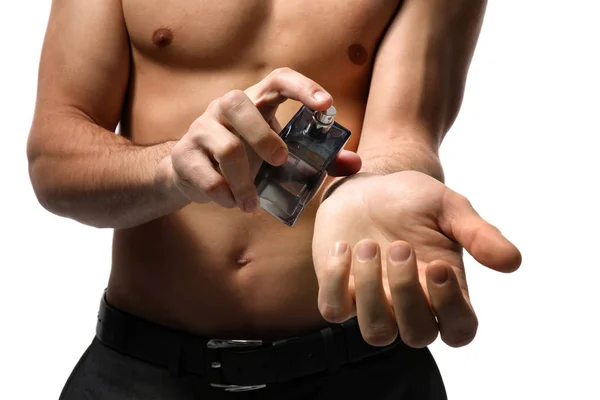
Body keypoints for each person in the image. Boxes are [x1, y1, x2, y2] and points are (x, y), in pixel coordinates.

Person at [27, 0, 521, 398]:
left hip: (362, 369)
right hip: (143, 372)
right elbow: (55, 162)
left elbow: (404, 134)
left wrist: (383, 181)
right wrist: (169, 170)